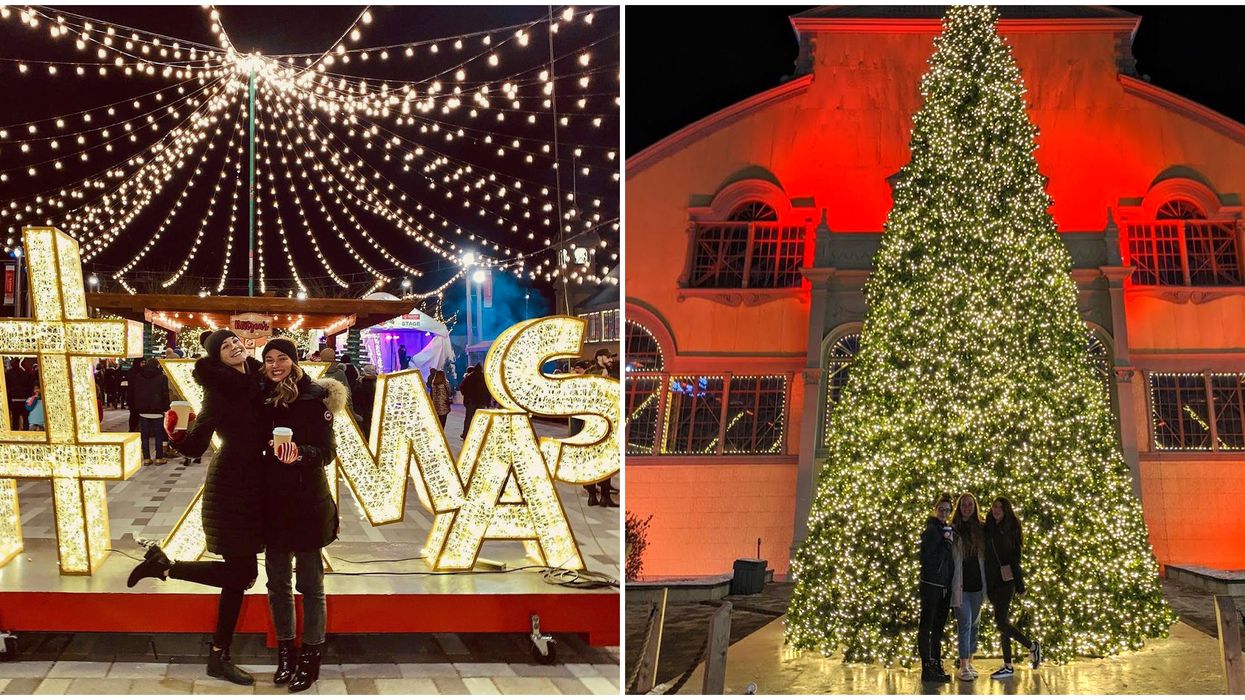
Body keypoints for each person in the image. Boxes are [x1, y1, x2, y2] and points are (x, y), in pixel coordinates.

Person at [126, 329, 266, 686]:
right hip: (232, 486)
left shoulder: (260, 379)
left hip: (258, 486)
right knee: (241, 574)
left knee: (242, 575)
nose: (234, 347)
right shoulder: (218, 393)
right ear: (217, 358)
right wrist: (176, 434)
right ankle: (217, 655)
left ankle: (167, 568)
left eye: (235, 341)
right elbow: (196, 446)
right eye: (224, 347)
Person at [256, 338, 341, 693]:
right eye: (269, 359)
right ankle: (286, 653)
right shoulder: (258, 397)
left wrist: (300, 454)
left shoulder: (314, 399)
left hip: (307, 502)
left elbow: (327, 452)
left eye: (282, 358)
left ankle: (311, 656)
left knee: (310, 584)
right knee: (277, 584)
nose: (276, 365)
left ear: (294, 360)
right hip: (273, 502)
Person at [984, 496, 1040, 679]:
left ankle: (1032, 646)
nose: (996, 510)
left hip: (1005, 584)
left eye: (1000, 507)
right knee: (1003, 624)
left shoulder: (1011, 530)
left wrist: (1020, 586)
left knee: (1001, 622)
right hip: (992, 583)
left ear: (1006, 510)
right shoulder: (989, 527)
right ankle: (1007, 665)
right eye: (994, 506)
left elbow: (1016, 561)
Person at [951, 493, 987, 681]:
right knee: (964, 623)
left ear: (975, 506)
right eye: (963, 504)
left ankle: (970, 662)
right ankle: (963, 665)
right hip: (961, 585)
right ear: (959, 507)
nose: (966, 507)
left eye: (970, 504)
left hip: (977, 586)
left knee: (974, 625)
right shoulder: (953, 529)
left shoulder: (981, 528)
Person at [919, 493, 955, 683]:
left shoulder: (943, 528)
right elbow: (929, 557)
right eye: (941, 509)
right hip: (932, 585)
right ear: (935, 509)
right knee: (928, 626)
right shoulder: (932, 530)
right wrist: (946, 544)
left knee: (938, 628)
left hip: (942, 586)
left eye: (948, 510)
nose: (944, 512)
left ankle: (935, 664)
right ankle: (927, 667)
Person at [130, 353, 171, 466]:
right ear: (157, 365)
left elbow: (136, 393)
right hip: (157, 410)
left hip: (143, 410)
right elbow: (165, 394)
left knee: (145, 436)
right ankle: (159, 457)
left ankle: (147, 458)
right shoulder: (162, 377)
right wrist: (166, 408)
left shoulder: (139, 376)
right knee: (159, 435)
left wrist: (137, 407)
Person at [457, 364, 488, 439]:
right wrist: (487, 400)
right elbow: (488, 390)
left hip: (471, 401)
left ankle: (465, 433)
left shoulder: (469, 377)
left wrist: (466, 396)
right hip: (481, 401)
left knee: (468, 418)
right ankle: (479, 434)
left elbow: (462, 387)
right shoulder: (484, 377)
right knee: (480, 418)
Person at [5, 357, 34, 431]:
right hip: (25, 400)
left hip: (14, 400)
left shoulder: (8, 374)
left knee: (15, 421)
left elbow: (7, 388)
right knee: (25, 420)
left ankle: (16, 437)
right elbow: (30, 387)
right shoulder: (26, 374)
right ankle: (26, 435)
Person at [354, 363, 378, 433]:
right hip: (374, 409)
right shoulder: (380, 382)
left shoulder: (360, 383)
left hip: (364, 410)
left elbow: (356, 398)